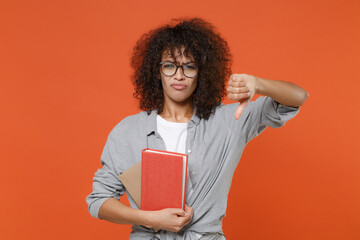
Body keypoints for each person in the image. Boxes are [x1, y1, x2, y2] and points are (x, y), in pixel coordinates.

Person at [86, 18, 309, 239]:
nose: (179, 75)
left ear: (202, 72)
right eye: (169, 66)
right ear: (157, 71)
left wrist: (258, 84)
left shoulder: (229, 121)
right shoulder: (127, 131)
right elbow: (99, 201)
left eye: (189, 66)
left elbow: (298, 97)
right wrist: (150, 219)